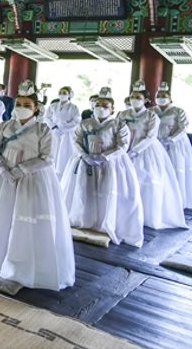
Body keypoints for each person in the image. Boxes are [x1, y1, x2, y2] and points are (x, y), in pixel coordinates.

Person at [0, 82, 75, 291]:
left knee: (25, 220)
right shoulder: (5, 126)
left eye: (26, 104)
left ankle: (20, 263)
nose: (21, 107)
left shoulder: (43, 129)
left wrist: (22, 170)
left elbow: (47, 158)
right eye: (18, 103)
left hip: (32, 178)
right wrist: (3, 169)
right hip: (2, 177)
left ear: (36, 107)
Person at [61, 88, 143, 247]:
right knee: (84, 191)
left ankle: (105, 222)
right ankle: (84, 219)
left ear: (112, 109)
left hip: (111, 164)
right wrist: (84, 155)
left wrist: (104, 157)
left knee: (107, 192)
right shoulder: (85, 123)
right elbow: (76, 141)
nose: (101, 107)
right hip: (86, 161)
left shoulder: (118, 124)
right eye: (98, 104)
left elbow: (122, 146)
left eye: (105, 105)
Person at [119, 84, 187, 230]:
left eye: (138, 98)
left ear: (145, 100)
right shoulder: (123, 114)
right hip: (124, 149)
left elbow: (151, 136)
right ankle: (124, 212)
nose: (134, 100)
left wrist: (136, 150)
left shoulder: (151, 115)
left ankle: (145, 214)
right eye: (132, 97)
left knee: (145, 180)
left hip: (146, 150)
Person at [152, 84, 192, 212]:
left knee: (175, 171)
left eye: (164, 96)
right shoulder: (152, 111)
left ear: (170, 99)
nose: (161, 98)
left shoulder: (178, 111)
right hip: (156, 144)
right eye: (158, 96)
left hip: (174, 144)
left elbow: (183, 128)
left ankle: (175, 202)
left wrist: (171, 139)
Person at [45, 86, 81, 176]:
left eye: (64, 93)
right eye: (60, 93)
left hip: (67, 134)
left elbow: (76, 121)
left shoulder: (74, 107)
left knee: (64, 153)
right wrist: (54, 127)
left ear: (69, 95)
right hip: (54, 132)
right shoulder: (52, 106)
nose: (62, 95)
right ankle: (51, 172)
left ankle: (63, 173)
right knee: (53, 151)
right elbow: (47, 117)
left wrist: (63, 128)